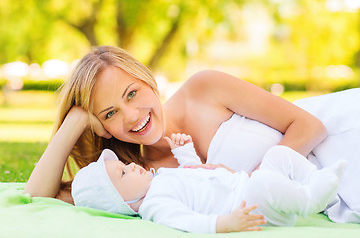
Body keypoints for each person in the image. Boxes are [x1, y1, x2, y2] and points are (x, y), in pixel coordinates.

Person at [24, 45, 360, 225]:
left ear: (146, 79)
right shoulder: (137, 180)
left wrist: (257, 180)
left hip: (341, 137)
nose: (132, 116)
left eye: (132, 93)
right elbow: (39, 196)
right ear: (101, 126)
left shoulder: (203, 89)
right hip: (332, 192)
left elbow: (310, 127)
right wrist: (76, 119)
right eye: (110, 113)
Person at [71, 133, 346, 233]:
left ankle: (313, 179)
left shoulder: (161, 179)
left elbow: (195, 172)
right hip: (247, 207)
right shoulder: (155, 205)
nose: (131, 166)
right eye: (122, 174)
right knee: (263, 182)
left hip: (244, 184)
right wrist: (224, 225)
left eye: (124, 164)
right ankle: (310, 200)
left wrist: (184, 151)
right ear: (122, 203)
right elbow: (187, 221)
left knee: (277, 155)